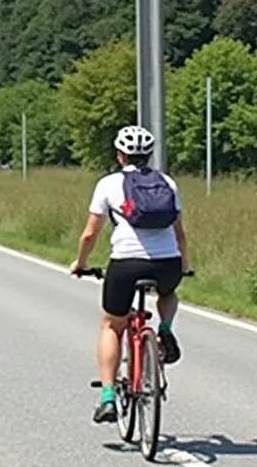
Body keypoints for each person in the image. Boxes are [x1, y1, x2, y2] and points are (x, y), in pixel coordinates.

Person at [69, 125, 191, 425]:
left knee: (112, 325)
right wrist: (184, 265)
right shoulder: (168, 183)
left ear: (120, 154)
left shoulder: (108, 184)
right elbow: (180, 235)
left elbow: (89, 234)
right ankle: (163, 328)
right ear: (148, 155)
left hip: (126, 264)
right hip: (167, 263)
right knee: (167, 293)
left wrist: (80, 263)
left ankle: (108, 397)